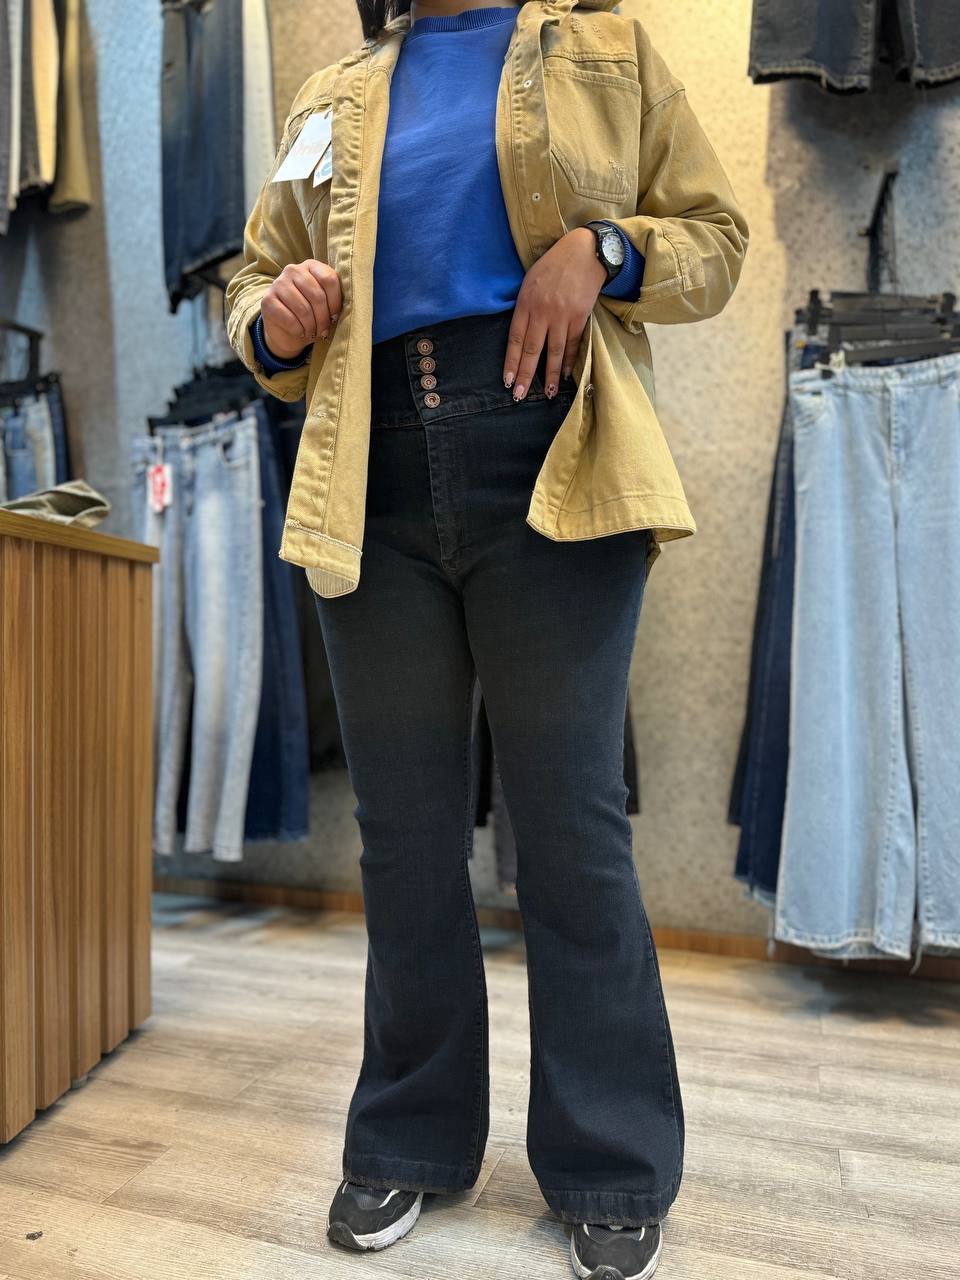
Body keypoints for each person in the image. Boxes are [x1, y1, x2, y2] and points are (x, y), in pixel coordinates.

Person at [225, 2, 748, 1276]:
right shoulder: (331, 94)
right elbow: (253, 281)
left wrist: (603, 248)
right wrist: (275, 320)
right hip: (368, 474)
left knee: (570, 824)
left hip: (548, 452)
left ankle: (609, 1158)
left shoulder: (606, 50)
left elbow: (715, 240)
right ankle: (406, 1139)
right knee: (404, 833)